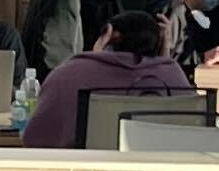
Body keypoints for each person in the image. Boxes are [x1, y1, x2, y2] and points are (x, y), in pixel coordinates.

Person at [25, 9, 195, 149]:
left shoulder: (68, 74)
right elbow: (195, 132)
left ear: (109, 34)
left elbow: (35, 139)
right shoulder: (172, 77)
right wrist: (165, 59)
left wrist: (94, 56)